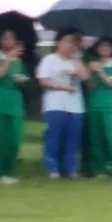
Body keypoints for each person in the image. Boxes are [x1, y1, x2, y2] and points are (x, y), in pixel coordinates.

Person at [36, 29, 89, 179]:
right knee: (53, 137)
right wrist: (64, 87)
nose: (70, 46)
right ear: (59, 42)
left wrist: (77, 59)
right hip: (55, 105)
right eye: (67, 41)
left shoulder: (76, 62)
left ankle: (71, 169)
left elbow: (85, 77)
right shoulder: (49, 60)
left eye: (74, 43)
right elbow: (43, 81)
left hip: (75, 106)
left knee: (72, 139)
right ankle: (52, 169)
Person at [0, 30, 29, 185]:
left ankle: (10, 171)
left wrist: (21, 80)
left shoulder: (19, 62)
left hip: (15, 102)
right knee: (0, 140)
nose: (8, 41)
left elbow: (22, 79)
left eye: (12, 39)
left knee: (15, 138)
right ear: (0, 41)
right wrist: (8, 59)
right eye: (5, 38)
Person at [87, 38, 112, 177]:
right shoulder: (93, 64)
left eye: (108, 46)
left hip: (110, 104)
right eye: (102, 46)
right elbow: (91, 86)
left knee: (111, 137)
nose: (105, 49)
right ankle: (99, 168)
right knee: (96, 137)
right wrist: (90, 73)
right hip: (95, 103)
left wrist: (100, 71)